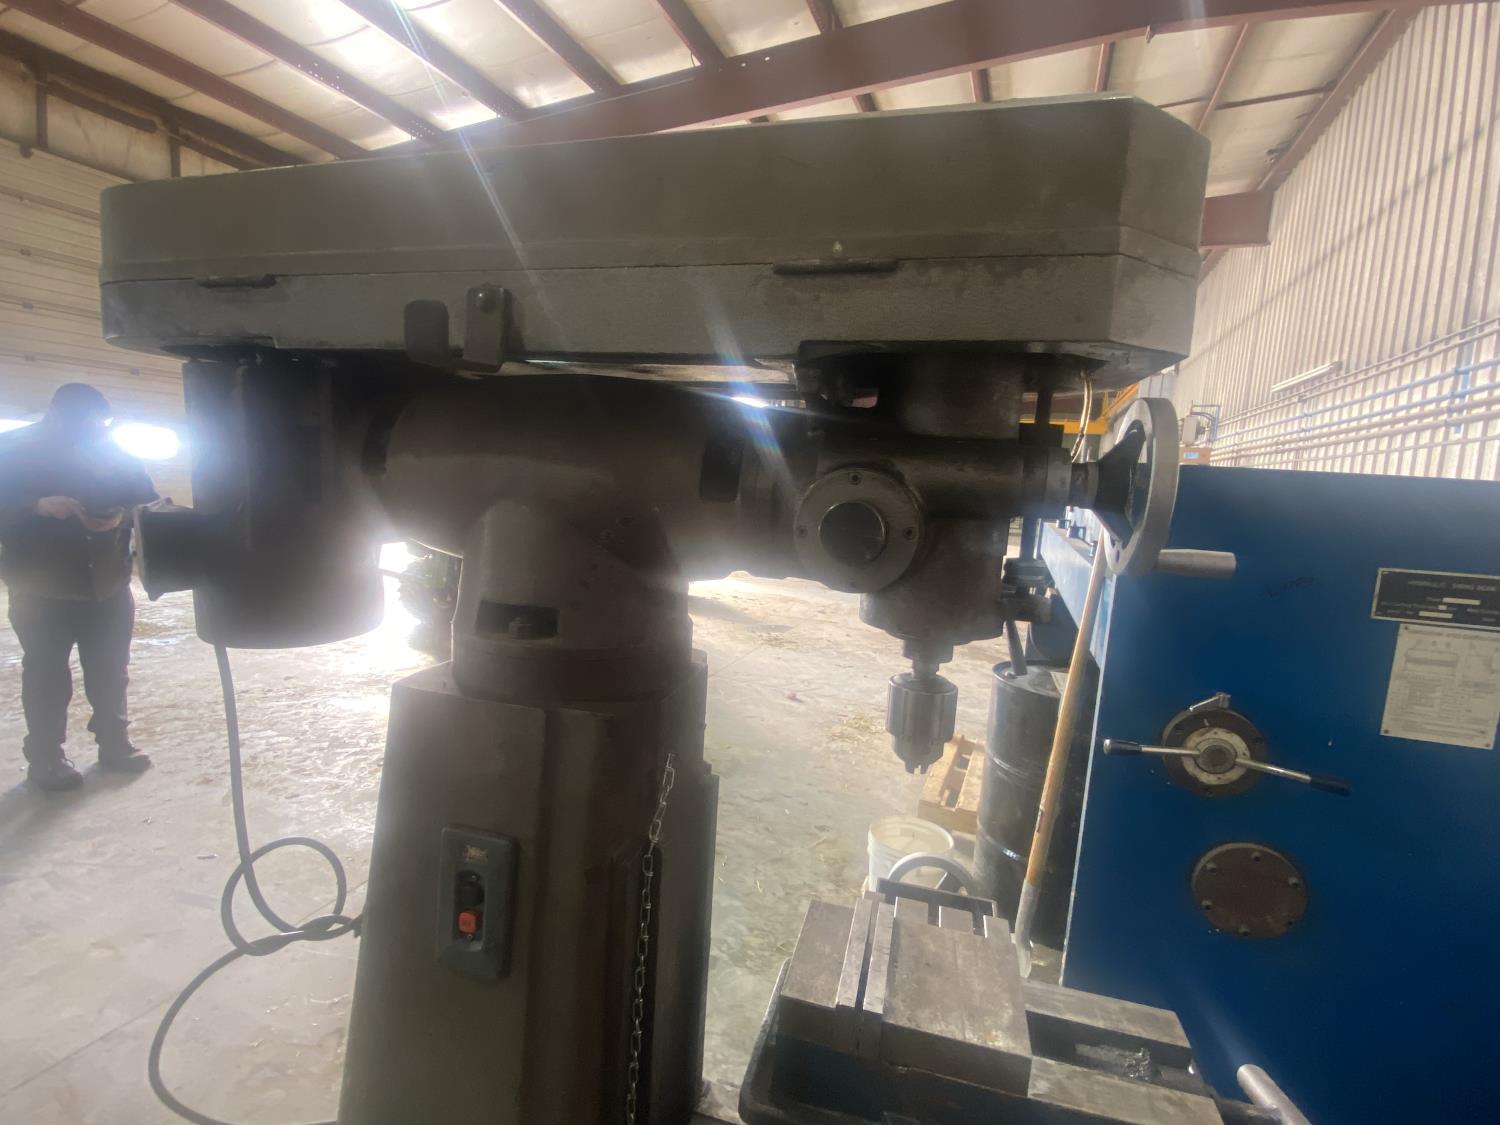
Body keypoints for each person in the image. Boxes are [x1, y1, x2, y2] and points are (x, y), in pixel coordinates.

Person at [0, 383, 159, 792]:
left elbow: (147, 500)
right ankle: (46, 759)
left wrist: (120, 516)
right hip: (42, 587)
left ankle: (114, 745)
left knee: (110, 669)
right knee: (46, 673)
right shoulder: (12, 449)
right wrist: (37, 507)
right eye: (81, 423)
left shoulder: (112, 451)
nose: (90, 431)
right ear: (54, 411)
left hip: (106, 582)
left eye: (96, 424)